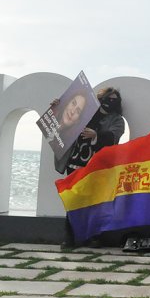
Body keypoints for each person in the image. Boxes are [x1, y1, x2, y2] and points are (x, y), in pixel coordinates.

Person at [54, 87, 126, 248]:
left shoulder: (117, 120)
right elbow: (64, 124)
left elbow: (114, 137)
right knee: (73, 200)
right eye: (107, 98)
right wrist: (57, 108)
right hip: (74, 163)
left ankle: (93, 237)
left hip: (97, 167)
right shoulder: (85, 113)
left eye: (114, 100)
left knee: (94, 201)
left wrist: (96, 136)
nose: (110, 103)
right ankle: (70, 237)